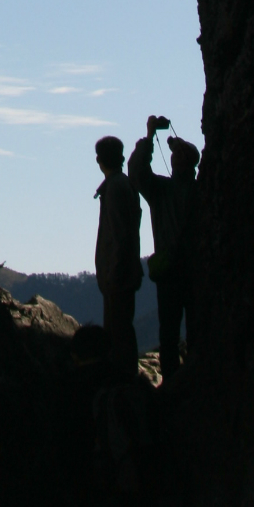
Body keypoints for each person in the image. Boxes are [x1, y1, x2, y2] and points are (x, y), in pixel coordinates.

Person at [127, 115, 199, 376]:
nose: (174, 157)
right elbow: (137, 172)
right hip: (196, 272)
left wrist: (149, 137)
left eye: (178, 154)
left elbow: (136, 172)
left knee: (170, 335)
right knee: (193, 334)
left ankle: (172, 384)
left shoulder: (161, 191)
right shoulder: (202, 190)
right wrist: (148, 136)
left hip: (172, 273)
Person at [93, 134, 142, 377]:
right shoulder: (124, 185)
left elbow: (120, 236)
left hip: (118, 276)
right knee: (121, 331)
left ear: (100, 160)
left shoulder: (115, 188)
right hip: (123, 273)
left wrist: (113, 271)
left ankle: (123, 382)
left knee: (118, 333)